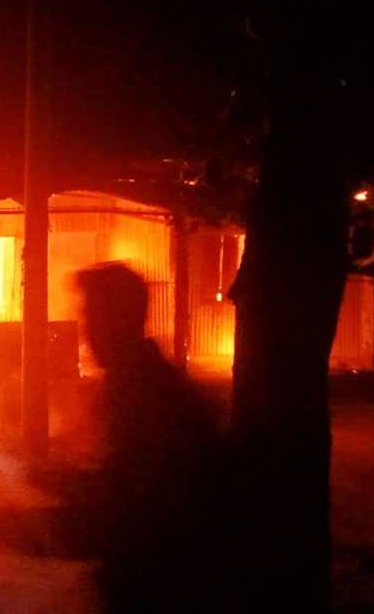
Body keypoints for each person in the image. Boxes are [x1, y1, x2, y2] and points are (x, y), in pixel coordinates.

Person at [44, 262, 238, 613]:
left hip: (168, 591)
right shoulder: (143, 382)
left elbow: (110, 519)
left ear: (119, 319)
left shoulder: (146, 397)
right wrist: (56, 481)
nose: (86, 330)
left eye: (92, 315)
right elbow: (123, 484)